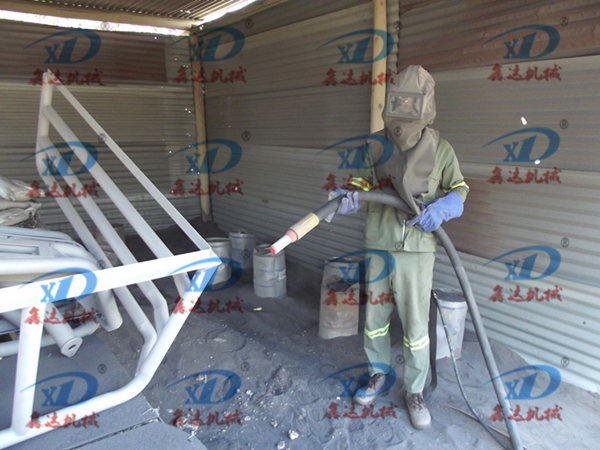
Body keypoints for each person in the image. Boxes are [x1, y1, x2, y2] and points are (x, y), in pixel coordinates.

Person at [332, 65, 469, 429]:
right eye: (399, 102)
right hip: (379, 244)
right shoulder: (375, 145)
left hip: (418, 252)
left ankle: (414, 390)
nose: (405, 111)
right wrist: (352, 194)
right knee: (375, 320)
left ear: (425, 107)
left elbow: (459, 188)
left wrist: (445, 207)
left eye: (412, 103)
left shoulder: (441, 149)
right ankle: (377, 374)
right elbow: (362, 181)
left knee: (415, 325)